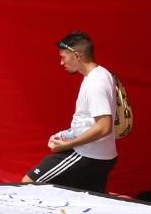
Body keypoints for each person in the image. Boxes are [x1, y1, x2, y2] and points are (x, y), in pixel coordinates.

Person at [24, 31, 118, 192]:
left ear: (77, 55)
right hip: (100, 155)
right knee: (87, 200)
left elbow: (104, 127)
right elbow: (88, 121)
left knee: (28, 183)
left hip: (87, 153)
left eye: (63, 57)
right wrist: (67, 135)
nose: (61, 63)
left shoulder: (95, 83)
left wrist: (68, 145)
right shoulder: (101, 74)